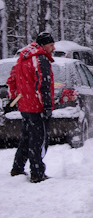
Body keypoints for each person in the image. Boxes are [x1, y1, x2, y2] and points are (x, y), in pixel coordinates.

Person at [8, 32, 56, 183]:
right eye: (51, 45)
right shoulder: (40, 59)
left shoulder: (22, 59)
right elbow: (43, 84)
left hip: (25, 106)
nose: (53, 48)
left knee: (26, 137)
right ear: (43, 45)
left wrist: (14, 100)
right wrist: (47, 105)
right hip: (37, 106)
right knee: (39, 140)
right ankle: (37, 172)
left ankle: (17, 167)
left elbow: (11, 80)